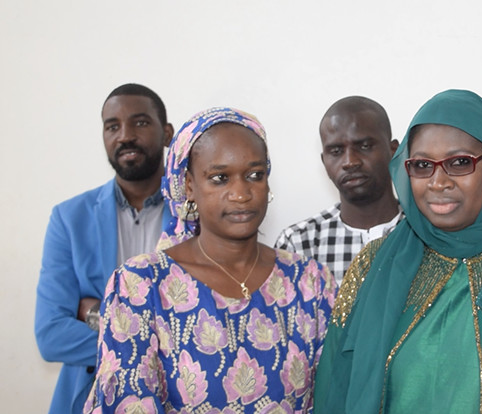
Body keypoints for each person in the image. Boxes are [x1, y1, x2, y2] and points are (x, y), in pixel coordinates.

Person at [314, 89, 482, 413]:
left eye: (460, 163)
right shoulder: (376, 264)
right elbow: (335, 382)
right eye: (422, 165)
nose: (438, 182)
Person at [84, 108, 336, 412]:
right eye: (220, 178)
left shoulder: (310, 282)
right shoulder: (140, 286)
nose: (241, 193)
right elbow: (127, 403)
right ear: (189, 185)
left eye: (255, 175)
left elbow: (332, 397)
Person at [35, 83, 174, 414]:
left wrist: (96, 315)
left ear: (167, 133)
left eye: (140, 122)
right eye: (112, 126)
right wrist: (152, 342)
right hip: (88, 397)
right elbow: (51, 334)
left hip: (178, 401)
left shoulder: (195, 213)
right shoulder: (70, 219)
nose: (124, 135)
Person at [275, 96, 402, 284]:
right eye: (336, 151)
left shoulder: (426, 232)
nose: (350, 161)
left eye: (365, 146)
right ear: (323, 161)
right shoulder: (299, 243)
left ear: (393, 151)